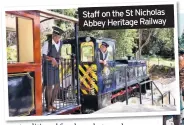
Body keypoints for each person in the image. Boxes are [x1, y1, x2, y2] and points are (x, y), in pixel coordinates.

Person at [42, 26, 64, 112]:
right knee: (49, 86)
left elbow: (57, 53)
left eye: (59, 37)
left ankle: (51, 103)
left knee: (57, 85)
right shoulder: (47, 43)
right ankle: (48, 106)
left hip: (55, 66)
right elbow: (43, 56)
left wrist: (59, 57)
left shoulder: (60, 43)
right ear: (53, 36)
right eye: (57, 37)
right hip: (48, 66)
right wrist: (52, 59)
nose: (58, 39)